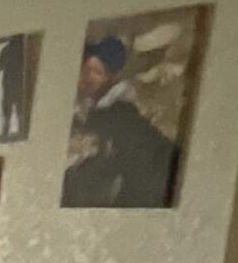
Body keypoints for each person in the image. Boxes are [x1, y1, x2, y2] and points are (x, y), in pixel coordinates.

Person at [61, 32, 181, 208]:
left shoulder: (119, 113)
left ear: (110, 77)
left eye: (96, 72)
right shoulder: (92, 110)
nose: (86, 78)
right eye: (84, 70)